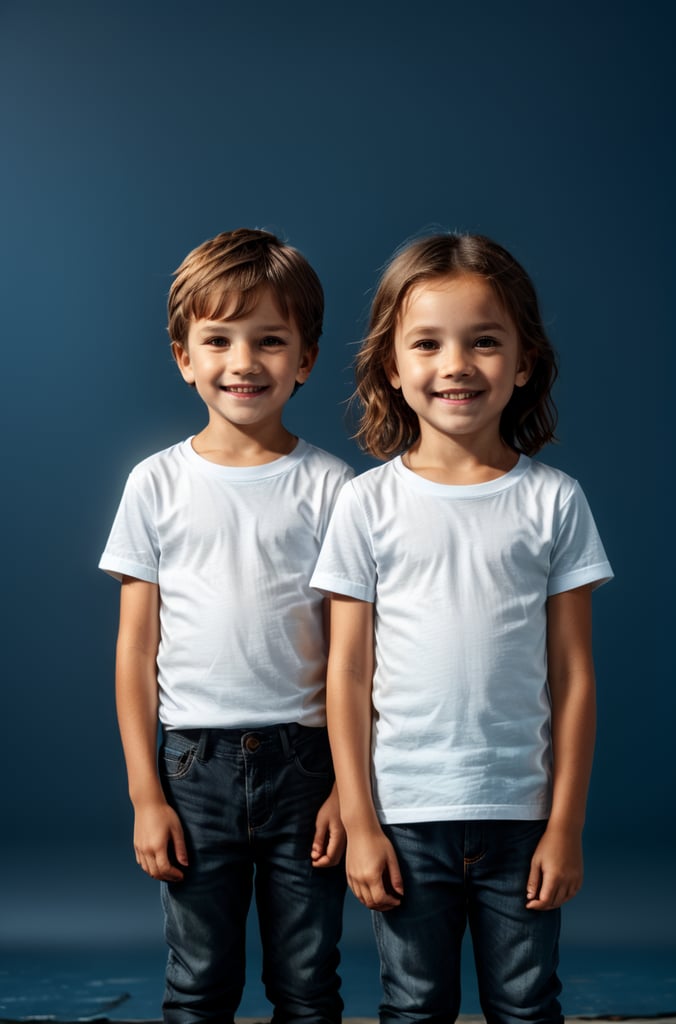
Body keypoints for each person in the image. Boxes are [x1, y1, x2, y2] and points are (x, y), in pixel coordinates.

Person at [311, 233, 614, 1024]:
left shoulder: (554, 501)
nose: (456, 364)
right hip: (404, 815)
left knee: (524, 1003)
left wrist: (566, 826)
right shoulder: (365, 504)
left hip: (522, 815)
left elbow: (574, 675)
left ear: (522, 362)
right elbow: (345, 674)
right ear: (390, 365)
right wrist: (358, 817)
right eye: (428, 343)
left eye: (484, 341)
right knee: (414, 1005)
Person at [99, 228, 352, 1024]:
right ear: (184, 356)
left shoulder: (334, 487)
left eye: (269, 341)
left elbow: (356, 656)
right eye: (219, 340)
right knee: (200, 981)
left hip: (305, 761)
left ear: (304, 358)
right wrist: (147, 794)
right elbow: (136, 648)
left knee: (307, 982)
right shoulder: (156, 483)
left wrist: (349, 788)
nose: (243, 362)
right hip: (192, 764)